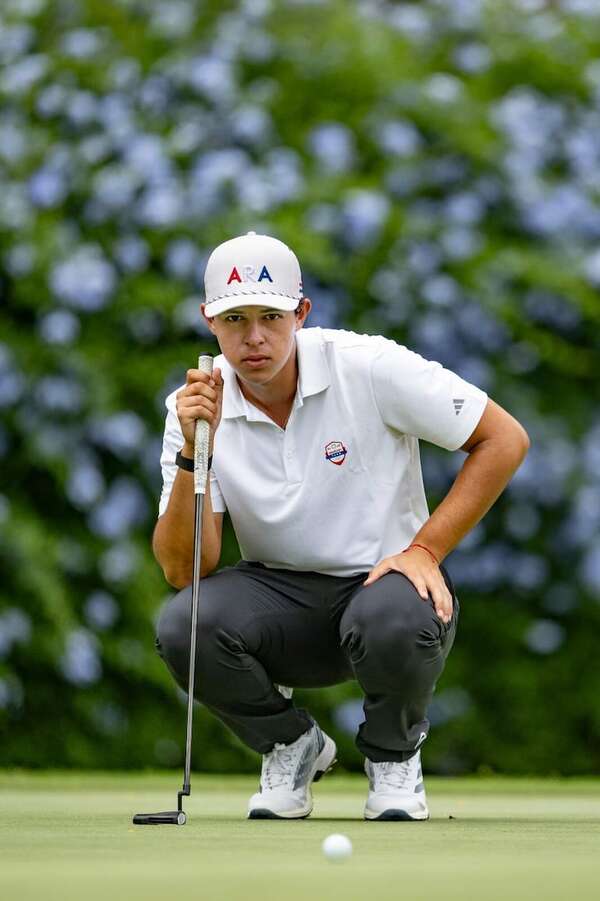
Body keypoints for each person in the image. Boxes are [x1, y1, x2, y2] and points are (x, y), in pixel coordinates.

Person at [152, 231, 529, 821]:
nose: (254, 337)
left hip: (387, 593)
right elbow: (185, 569)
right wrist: (191, 451)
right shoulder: (197, 406)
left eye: (271, 317)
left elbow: (504, 439)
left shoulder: (369, 366)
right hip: (277, 600)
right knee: (186, 624)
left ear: (301, 313)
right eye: (235, 319)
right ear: (209, 321)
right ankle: (291, 745)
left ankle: (393, 757)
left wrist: (426, 550)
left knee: (392, 614)